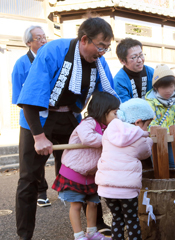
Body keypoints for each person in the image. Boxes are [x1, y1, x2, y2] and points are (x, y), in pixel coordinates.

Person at [15, 17, 116, 240]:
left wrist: (114, 126)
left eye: (106, 48)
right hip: (39, 118)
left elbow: (107, 97)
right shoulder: (53, 51)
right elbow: (31, 95)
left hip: (71, 118)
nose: (102, 52)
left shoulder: (99, 61)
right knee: (29, 178)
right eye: (100, 46)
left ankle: (96, 225)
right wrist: (38, 137)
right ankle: (24, 235)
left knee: (89, 168)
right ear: (84, 40)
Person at [52, 92, 119, 240]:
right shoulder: (88, 123)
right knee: (76, 205)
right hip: (74, 172)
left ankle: (92, 232)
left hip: (92, 174)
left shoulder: (106, 127)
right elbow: (87, 138)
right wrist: (108, 138)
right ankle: (79, 235)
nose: (117, 116)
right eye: (114, 112)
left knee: (93, 203)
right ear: (103, 110)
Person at [95, 98, 154, 240]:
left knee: (117, 219)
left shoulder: (109, 131)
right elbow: (146, 152)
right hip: (126, 189)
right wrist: (150, 140)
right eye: (147, 125)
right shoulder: (138, 137)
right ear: (138, 122)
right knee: (132, 219)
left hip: (106, 188)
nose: (147, 129)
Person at [11, 26, 51, 207]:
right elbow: (19, 95)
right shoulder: (21, 63)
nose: (43, 41)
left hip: (52, 117)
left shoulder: (51, 59)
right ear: (28, 42)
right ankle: (40, 191)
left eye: (45, 37)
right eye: (39, 38)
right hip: (29, 121)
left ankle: (68, 192)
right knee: (30, 163)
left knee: (52, 156)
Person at [145, 64, 175, 168]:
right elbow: (150, 122)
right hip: (156, 140)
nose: (169, 90)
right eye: (164, 87)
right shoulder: (149, 103)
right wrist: (164, 132)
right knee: (159, 167)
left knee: (174, 166)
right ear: (155, 87)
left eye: (171, 86)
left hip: (173, 138)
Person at [114, 38, 154, 102]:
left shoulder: (152, 73)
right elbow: (125, 106)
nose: (140, 60)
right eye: (134, 57)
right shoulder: (119, 80)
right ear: (122, 61)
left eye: (141, 55)